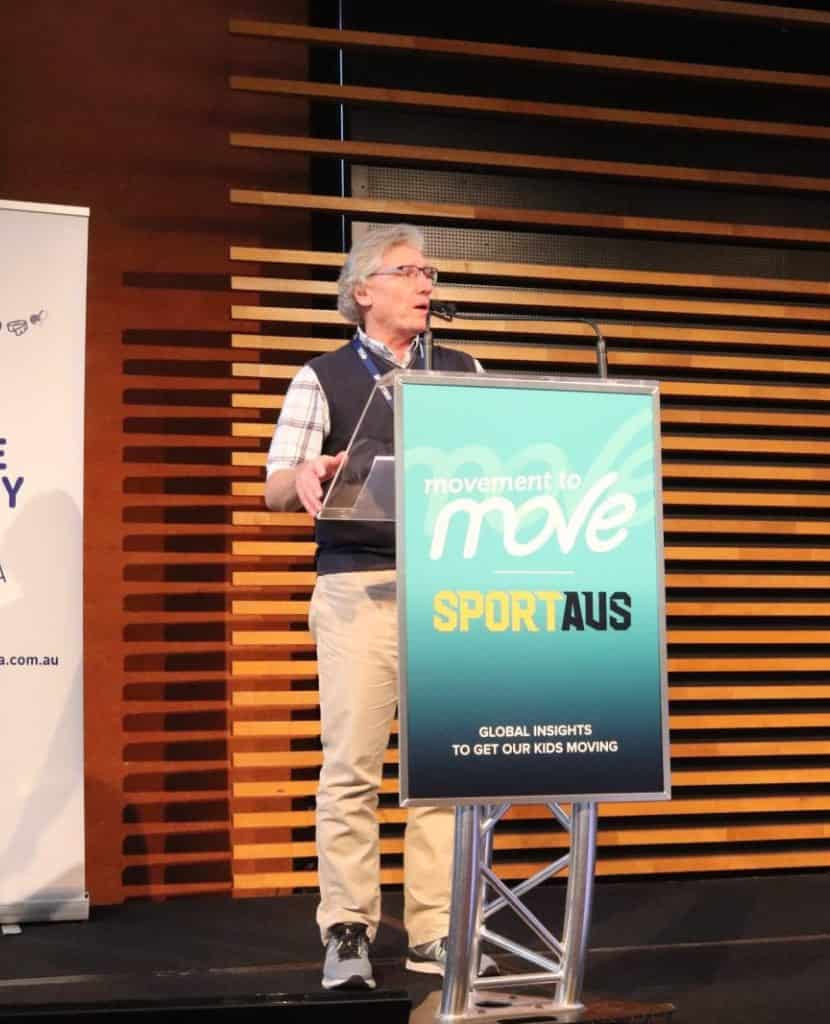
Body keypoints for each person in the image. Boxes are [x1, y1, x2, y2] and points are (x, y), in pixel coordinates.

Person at [264, 224, 493, 990]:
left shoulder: (462, 370)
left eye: (430, 272)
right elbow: (273, 484)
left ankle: (436, 931)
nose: (427, 284)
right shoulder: (322, 377)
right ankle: (348, 928)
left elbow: (493, 463)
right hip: (357, 586)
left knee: (440, 773)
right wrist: (304, 474)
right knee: (352, 769)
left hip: (446, 592)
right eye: (409, 271)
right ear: (363, 292)